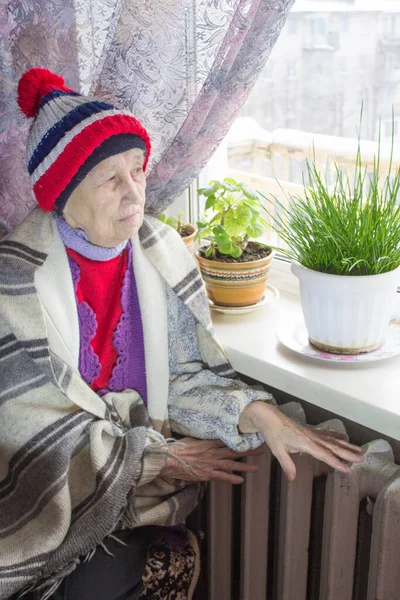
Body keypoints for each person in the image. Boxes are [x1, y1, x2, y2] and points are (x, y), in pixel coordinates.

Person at [0, 68, 364, 600]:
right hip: (53, 494)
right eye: (110, 178)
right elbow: (26, 428)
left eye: (139, 171)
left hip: (134, 499)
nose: (135, 194)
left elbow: (179, 377)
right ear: (63, 192)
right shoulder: (14, 281)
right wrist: (159, 458)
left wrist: (257, 412)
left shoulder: (160, 252)